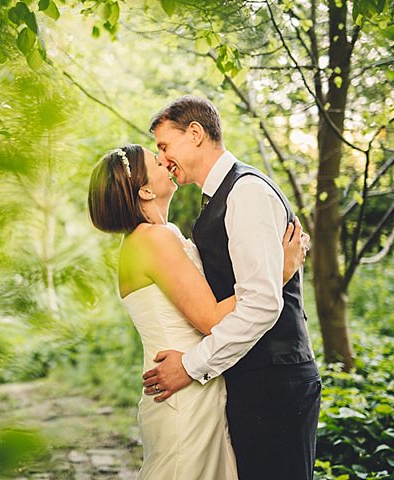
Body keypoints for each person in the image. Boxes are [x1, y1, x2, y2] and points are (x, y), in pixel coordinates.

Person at [88, 143, 308, 479]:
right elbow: (212, 319)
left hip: (198, 382)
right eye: (156, 159)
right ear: (145, 190)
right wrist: (277, 273)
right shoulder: (151, 240)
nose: (165, 160)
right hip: (184, 389)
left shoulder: (159, 236)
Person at [141, 96, 321, 480]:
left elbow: (261, 305)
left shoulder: (246, 192)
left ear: (195, 133)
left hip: (274, 380)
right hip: (252, 378)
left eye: (164, 146)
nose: (163, 158)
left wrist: (190, 366)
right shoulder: (219, 199)